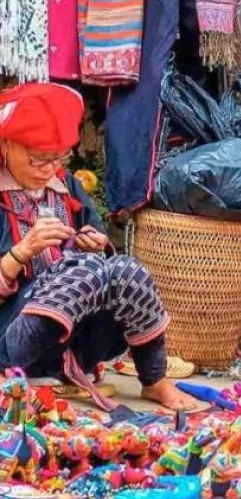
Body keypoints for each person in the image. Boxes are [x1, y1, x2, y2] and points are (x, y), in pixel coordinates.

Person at [0, 83, 196, 411]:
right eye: (37, 160)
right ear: (6, 145)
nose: (48, 170)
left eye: (57, 159)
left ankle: (154, 379)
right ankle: (9, 376)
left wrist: (98, 246)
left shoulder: (67, 187)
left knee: (125, 270)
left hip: (77, 343)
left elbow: (102, 267)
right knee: (83, 271)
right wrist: (21, 253)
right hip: (11, 342)